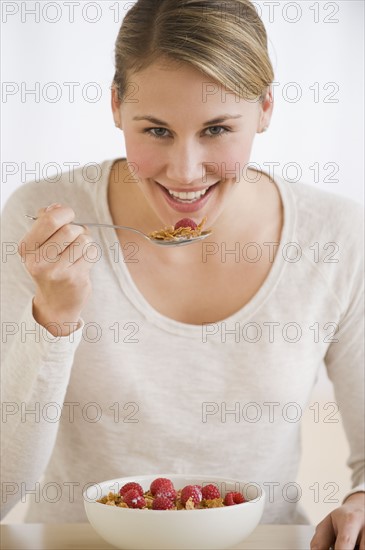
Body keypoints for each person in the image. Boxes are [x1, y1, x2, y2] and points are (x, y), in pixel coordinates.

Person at [1, 0, 364, 547]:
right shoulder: (43, 216)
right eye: (156, 131)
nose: (186, 171)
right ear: (117, 106)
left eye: (217, 129)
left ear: (266, 108)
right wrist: (52, 319)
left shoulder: (336, 236)